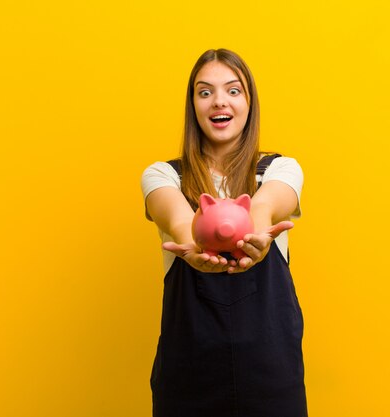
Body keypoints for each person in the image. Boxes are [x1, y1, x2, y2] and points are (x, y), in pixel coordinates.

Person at [141, 48, 308, 417]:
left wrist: (256, 237)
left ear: (250, 102)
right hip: (189, 376)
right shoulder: (163, 176)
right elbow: (180, 221)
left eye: (233, 90)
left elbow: (265, 206)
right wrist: (195, 245)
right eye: (205, 92)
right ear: (193, 105)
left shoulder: (280, 169)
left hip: (271, 375)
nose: (220, 101)